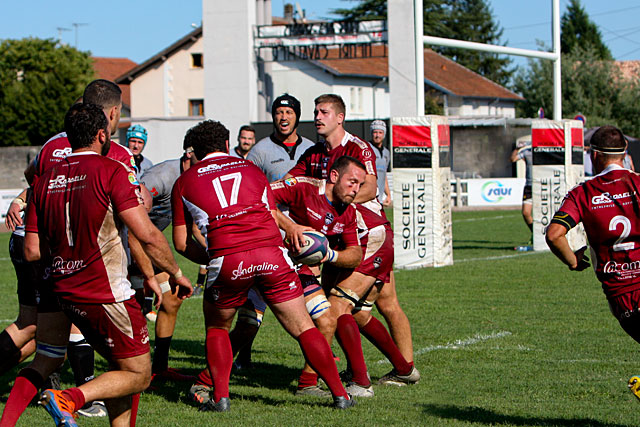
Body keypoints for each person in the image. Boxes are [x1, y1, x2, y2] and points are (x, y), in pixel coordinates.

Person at [14, 103, 192, 427]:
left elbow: (31, 250)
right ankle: (69, 398)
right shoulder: (112, 170)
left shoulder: (44, 181)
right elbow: (146, 233)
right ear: (102, 134)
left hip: (62, 290)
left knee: (112, 366)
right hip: (105, 293)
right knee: (139, 374)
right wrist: (176, 273)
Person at [171, 119, 354, 411]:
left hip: (229, 258)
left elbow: (181, 243)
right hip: (272, 254)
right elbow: (271, 214)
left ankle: (220, 397)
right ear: (227, 145)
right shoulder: (252, 169)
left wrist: (216, 258)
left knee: (218, 327)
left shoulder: (184, 181)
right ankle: (340, 395)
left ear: (195, 153)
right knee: (304, 327)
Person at [1, 80, 144, 420]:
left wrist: (22, 198)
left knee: (38, 337)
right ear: (111, 114)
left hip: (40, 252)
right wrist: (155, 274)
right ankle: (79, 395)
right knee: (129, 362)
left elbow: (32, 178)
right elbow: (138, 220)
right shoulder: (117, 157)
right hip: (88, 264)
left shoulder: (52, 145)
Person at [545, 126, 640, 399]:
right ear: (625, 154)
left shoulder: (583, 193)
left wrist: (573, 260)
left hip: (625, 300)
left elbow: (554, 234)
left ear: (594, 155)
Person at [128, 156, 198, 384]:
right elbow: (132, 218)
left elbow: (191, 228)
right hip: (127, 243)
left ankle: (159, 369)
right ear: (189, 154)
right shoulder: (162, 176)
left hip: (149, 245)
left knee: (172, 299)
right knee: (127, 308)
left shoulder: (191, 179)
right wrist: (147, 273)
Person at [247, 94, 315, 182]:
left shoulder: (311, 148)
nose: (284, 117)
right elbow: (248, 185)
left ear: (297, 117)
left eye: (289, 112)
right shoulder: (259, 151)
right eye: (279, 113)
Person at [510, 134, 533, 251]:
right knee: (525, 213)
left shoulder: (544, 151)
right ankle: (535, 233)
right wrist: (517, 148)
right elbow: (513, 159)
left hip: (542, 185)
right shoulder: (527, 152)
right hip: (529, 186)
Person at [369, 120, 392, 207]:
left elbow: (383, 174)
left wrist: (388, 194)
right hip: (368, 198)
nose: (377, 135)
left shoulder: (386, 153)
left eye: (380, 132)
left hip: (380, 198)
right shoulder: (366, 149)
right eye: (375, 132)